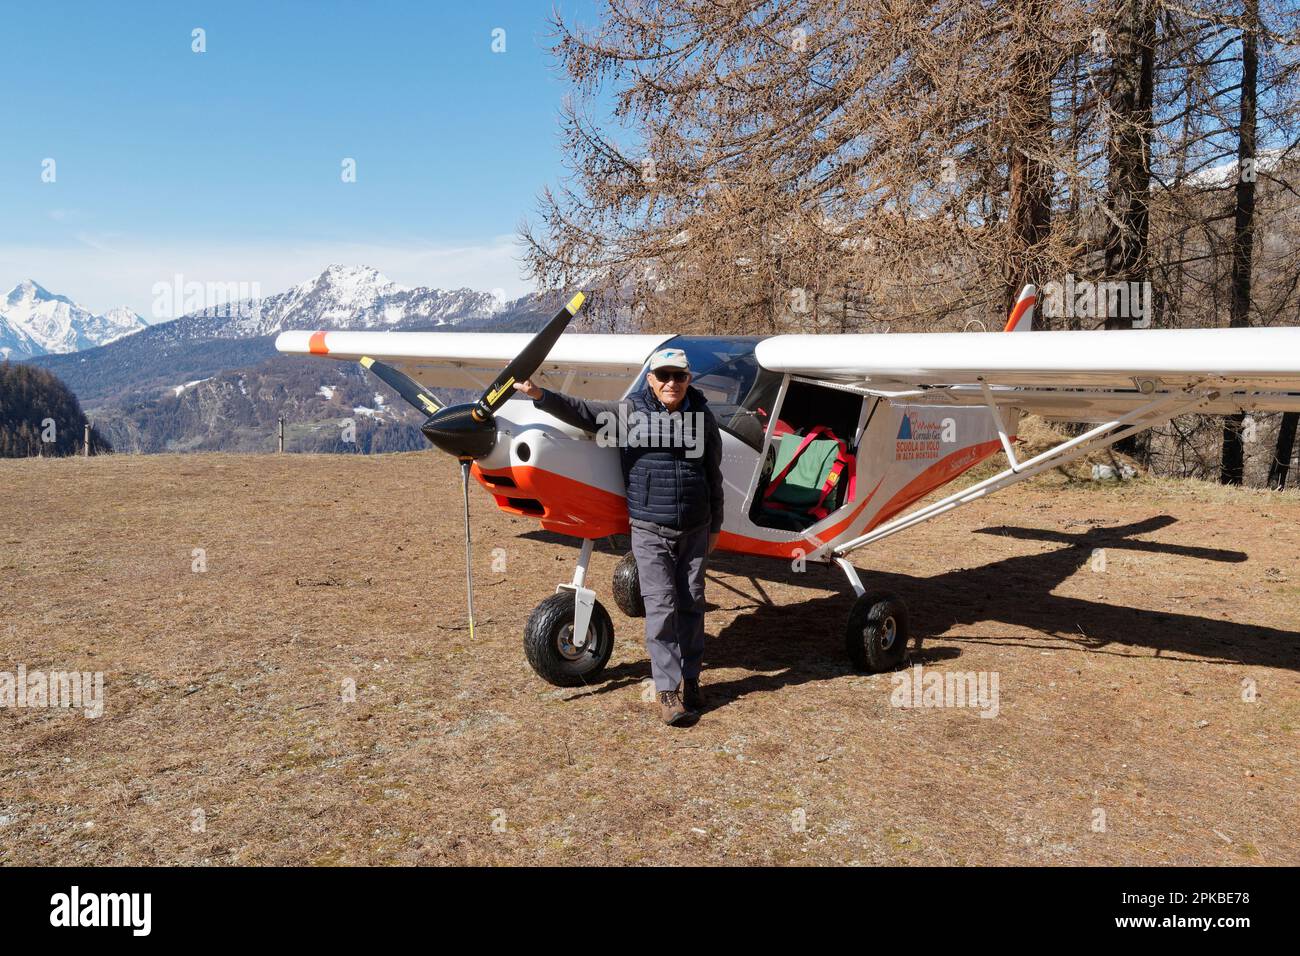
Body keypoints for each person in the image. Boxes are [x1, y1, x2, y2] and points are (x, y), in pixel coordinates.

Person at [513, 347, 724, 726]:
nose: (671, 382)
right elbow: (582, 411)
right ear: (651, 379)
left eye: (679, 376)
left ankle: (692, 681)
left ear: (689, 379)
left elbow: (713, 475)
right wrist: (540, 395)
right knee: (660, 607)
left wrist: (715, 525)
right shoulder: (629, 414)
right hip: (649, 527)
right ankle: (668, 692)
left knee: (692, 604)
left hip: (695, 526)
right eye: (664, 376)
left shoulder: (702, 417)